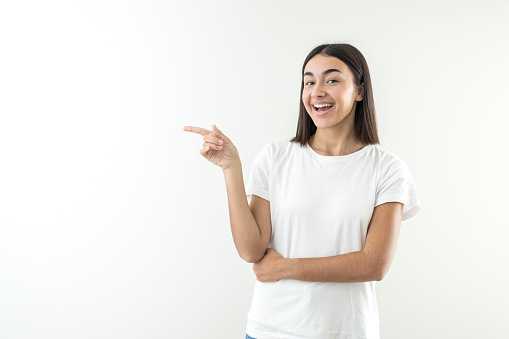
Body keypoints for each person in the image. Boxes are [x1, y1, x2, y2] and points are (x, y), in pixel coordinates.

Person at [183, 43, 420, 339]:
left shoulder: (386, 168)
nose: (317, 91)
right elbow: (251, 249)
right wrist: (231, 169)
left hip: (346, 332)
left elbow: (374, 264)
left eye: (331, 80)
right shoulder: (275, 157)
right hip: (270, 329)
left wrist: (284, 268)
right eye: (309, 81)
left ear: (360, 90)